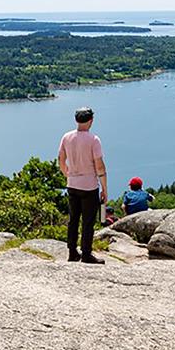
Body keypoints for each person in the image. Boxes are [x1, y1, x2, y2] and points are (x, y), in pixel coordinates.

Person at [58, 107, 108, 265]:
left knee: (73, 220)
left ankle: (72, 252)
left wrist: (67, 174)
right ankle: (86, 253)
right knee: (88, 222)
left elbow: (61, 159)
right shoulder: (94, 140)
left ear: (76, 120)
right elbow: (99, 166)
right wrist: (104, 188)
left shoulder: (67, 137)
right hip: (89, 187)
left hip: (72, 185)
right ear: (91, 121)